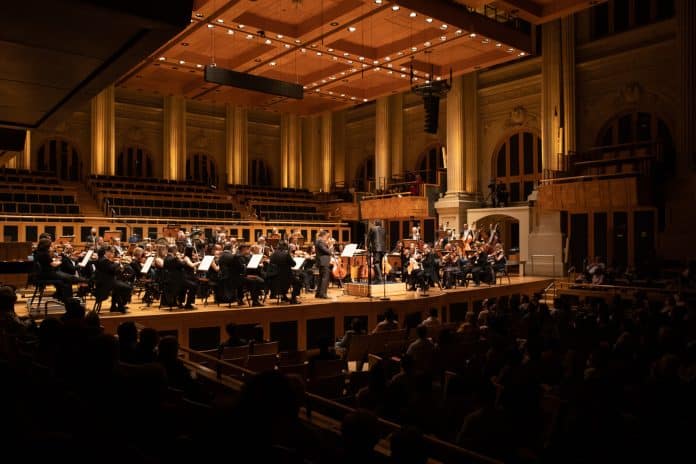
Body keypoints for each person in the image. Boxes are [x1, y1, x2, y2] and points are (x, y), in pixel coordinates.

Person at [314, 230, 331, 299]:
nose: (327, 238)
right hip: (324, 261)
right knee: (325, 278)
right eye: (327, 236)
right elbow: (326, 251)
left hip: (322, 261)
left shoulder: (319, 241)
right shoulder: (320, 241)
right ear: (323, 235)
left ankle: (318, 293)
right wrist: (331, 247)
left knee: (321, 278)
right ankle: (323, 294)